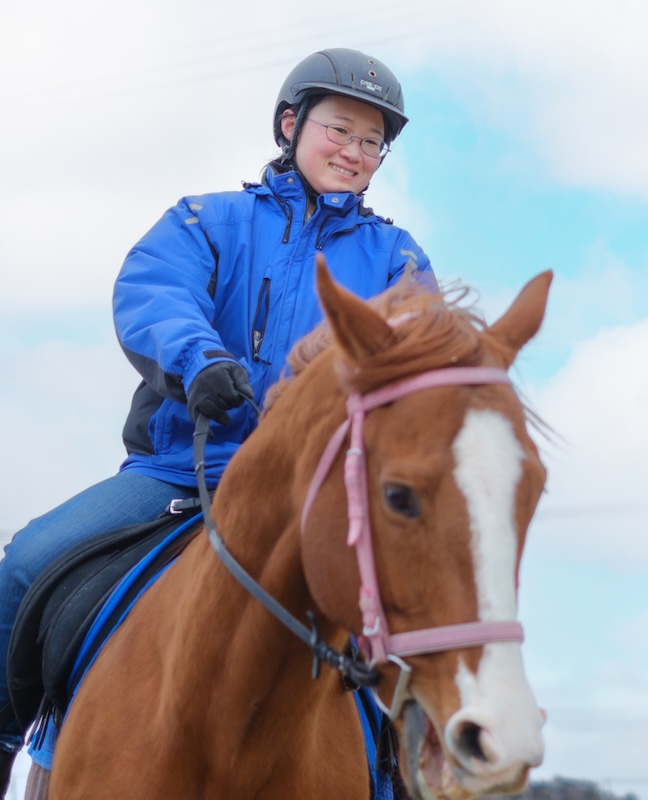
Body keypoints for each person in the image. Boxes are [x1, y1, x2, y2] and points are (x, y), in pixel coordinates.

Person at [0, 47, 434, 795]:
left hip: (317, 496)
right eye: (340, 130)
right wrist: (199, 361)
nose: (355, 152)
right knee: (24, 566)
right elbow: (153, 290)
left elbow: (420, 361)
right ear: (290, 125)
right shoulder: (209, 220)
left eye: (372, 142)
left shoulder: (397, 258)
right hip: (179, 469)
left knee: (425, 633)